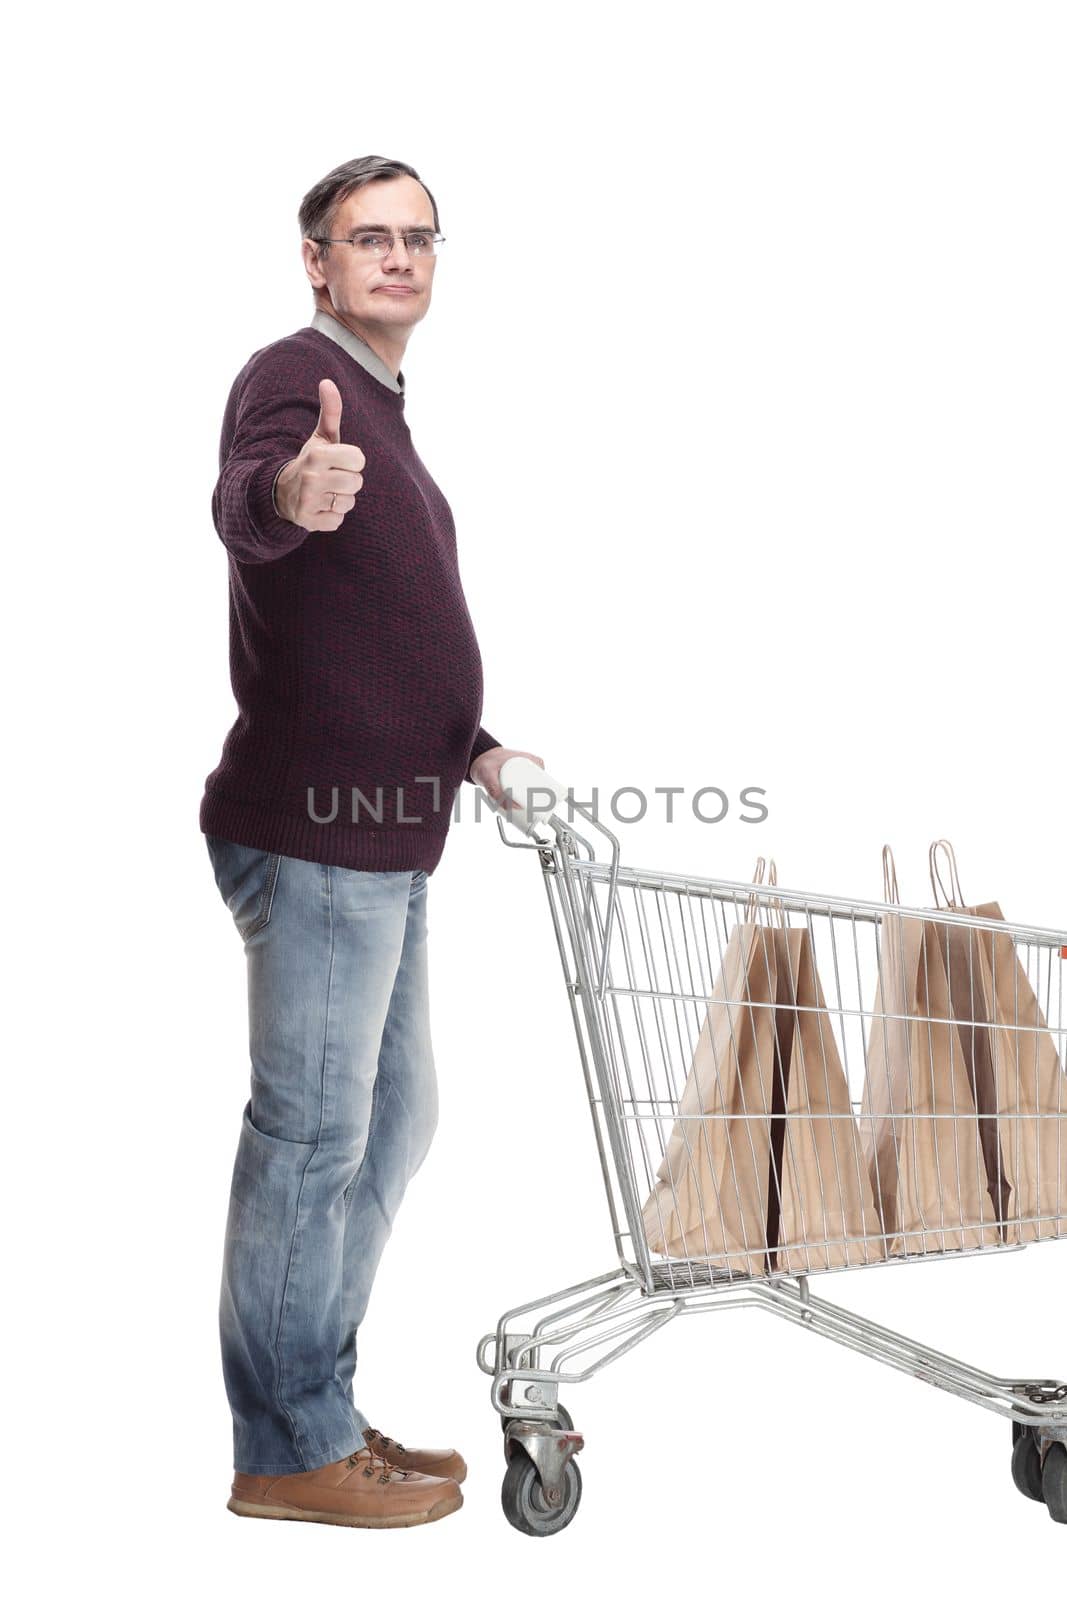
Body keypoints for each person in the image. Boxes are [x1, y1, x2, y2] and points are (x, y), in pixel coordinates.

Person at [200, 154, 545, 1530]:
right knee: (310, 1136)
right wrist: (288, 495)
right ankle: (285, 1442)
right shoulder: (299, 381)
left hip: (388, 839)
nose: (398, 259)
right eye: (369, 239)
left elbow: (385, 638)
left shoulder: (389, 416)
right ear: (317, 259)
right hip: (317, 835)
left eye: (419, 238)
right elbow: (246, 497)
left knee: (393, 1118)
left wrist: (476, 749)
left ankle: (319, 1409)